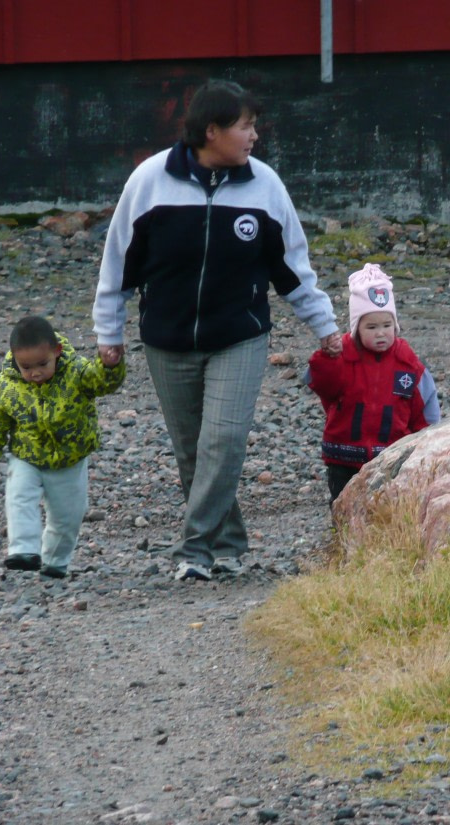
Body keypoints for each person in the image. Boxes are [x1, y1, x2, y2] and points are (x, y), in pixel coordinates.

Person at [92, 79, 341, 582]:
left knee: (223, 442)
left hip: (240, 336)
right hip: (167, 339)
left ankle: (194, 549)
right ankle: (228, 543)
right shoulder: (150, 180)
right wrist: (108, 330)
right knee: (193, 451)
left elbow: (292, 268)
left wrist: (327, 327)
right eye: (245, 126)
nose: (254, 136)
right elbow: (119, 261)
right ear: (212, 131)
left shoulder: (265, 185)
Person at [0, 316, 126, 579]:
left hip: (69, 459)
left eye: (42, 364)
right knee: (19, 498)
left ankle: (55, 561)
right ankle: (24, 550)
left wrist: (109, 365)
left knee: (68, 516)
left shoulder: (76, 372)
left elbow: (102, 383)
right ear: (15, 360)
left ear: (57, 352)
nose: (35, 373)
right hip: (26, 456)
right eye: (26, 367)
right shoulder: (9, 384)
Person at [306, 263, 440, 503]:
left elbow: (426, 408)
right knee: (342, 508)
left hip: (391, 458)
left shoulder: (407, 363)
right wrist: (328, 355)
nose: (381, 333)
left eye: (387, 325)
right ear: (357, 328)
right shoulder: (342, 355)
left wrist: (426, 443)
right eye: (372, 327)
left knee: (386, 509)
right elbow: (321, 383)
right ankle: (342, 539)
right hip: (343, 458)